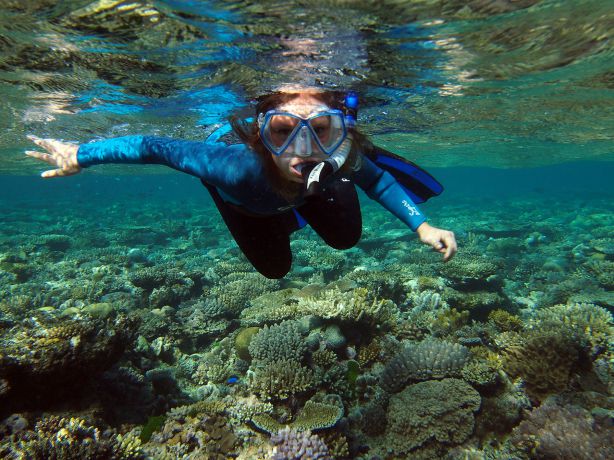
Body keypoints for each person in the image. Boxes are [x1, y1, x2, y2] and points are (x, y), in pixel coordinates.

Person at [25, 88, 457, 279]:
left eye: (321, 130)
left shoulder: (340, 154)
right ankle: (289, 212)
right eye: (283, 130)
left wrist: (423, 226)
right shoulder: (232, 167)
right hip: (248, 202)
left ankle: (301, 204)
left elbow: (379, 181)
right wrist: (80, 155)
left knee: (346, 238)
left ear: (338, 130)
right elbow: (153, 145)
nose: (301, 149)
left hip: (302, 189)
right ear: (260, 134)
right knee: (276, 270)